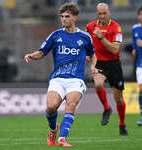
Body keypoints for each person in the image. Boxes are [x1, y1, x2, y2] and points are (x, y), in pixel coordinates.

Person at [25, 2, 98, 147]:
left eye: (67, 16)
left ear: (75, 18)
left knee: (70, 105)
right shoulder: (55, 35)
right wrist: (33, 55)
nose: (63, 19)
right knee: (51, 107)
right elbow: (42, 52)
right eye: (62, 16)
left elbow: (92, 54)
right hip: (57, 78)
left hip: (76, 79)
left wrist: (93, 66)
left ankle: (62, 139)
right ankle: (53, 130)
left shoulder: (84, 37)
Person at [86, 3, 128, 135]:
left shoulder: (116, 27)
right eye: (100, 14)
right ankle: (106, 108)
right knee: (98, 84)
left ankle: (122, 124)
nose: (102, 16)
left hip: (114, 64)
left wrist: (101, 37)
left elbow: (115, 49)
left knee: (119, 99)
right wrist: (87, 55)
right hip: (100, 63)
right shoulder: (90, 26)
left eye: (105, 13)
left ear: (109, 13)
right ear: (97, 14)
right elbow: (87, 43)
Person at [132, 6, 142, 126]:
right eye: (140, 14)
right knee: (141, 89)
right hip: (140, 64)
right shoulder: (135, 29)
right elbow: (135, 43)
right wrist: (134, 49)